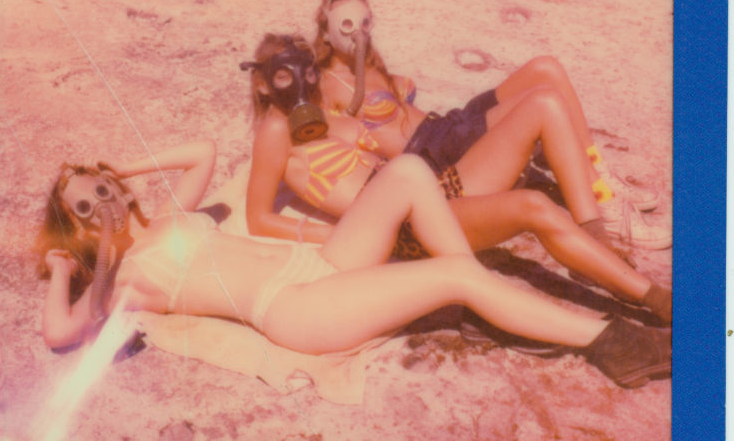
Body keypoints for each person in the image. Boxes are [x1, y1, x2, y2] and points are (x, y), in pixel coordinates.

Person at [36, 140, 670, 389]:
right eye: (84, 206)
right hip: (295, 310)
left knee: (409, 171)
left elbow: (203, 152)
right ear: (79, 226)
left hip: (319, 264)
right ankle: (613, 344)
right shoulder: (126, 275)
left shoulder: (173, 215)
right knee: (457, 273)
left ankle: (478, 301)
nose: (101, 203)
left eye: (100, 187)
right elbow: (62, 332)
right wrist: (70, 268)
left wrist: (121, 167)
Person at [243, 34, 671, 323]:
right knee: (534, 207)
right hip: (406, 227)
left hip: (432, 188)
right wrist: (335, 236)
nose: (300, 84)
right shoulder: (276, 131)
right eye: (283, 77)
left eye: (306, 72)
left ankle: (596, 236)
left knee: (544, 101)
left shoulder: (321, 113)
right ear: (261, 86)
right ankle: (653, 298)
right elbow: (258, 219)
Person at [313, 0, 671, 252]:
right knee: (544, 103)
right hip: (436, 151)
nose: (359, 33)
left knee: (545, 68)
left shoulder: (368, 62)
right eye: (347, 25)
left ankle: (598, 174)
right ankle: (603, 208)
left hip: (447, 126)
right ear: (326, 31)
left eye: (365, 22)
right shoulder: (325, 86)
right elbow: (322, 139)